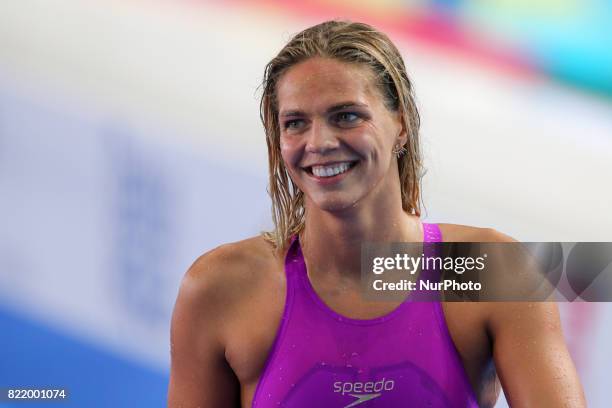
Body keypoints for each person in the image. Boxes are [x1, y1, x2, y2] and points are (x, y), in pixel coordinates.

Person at [167, 21, 586, 407]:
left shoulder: (490, 271)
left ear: (400, 124)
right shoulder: (222, 288)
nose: (320, 142)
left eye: (346, 116)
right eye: (296, 123)